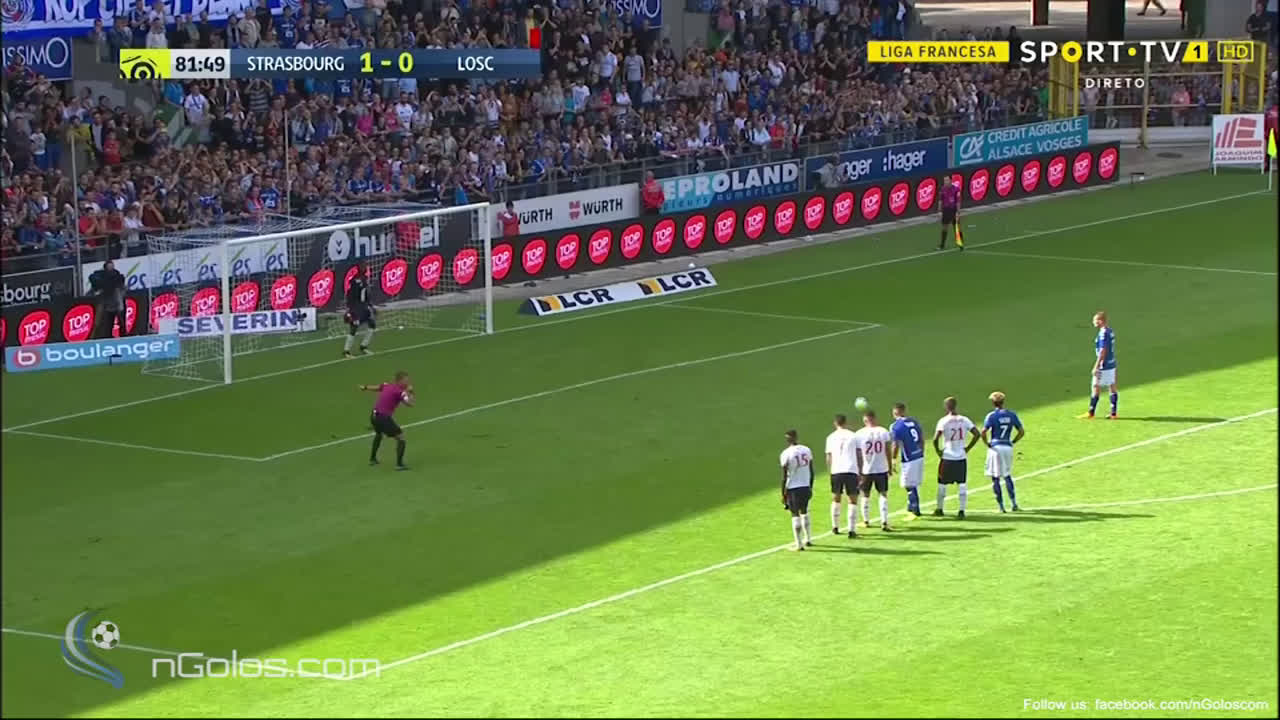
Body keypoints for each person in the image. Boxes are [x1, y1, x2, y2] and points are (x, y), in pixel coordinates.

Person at [933, 396, 980, 518]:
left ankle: (939, 509)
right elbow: (977, 434)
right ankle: (961, 511)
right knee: (962, 484)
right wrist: (967, 448)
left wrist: (938, 451)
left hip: (948, 457)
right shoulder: (964, 420)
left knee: (942, 484)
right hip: (961, 457)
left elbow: (935, 439)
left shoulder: (943, 421)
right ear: (956, 406)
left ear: (946, 407)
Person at [359, 371, 414, 470]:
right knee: (401, 438)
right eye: (406, 380)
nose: (408, 382)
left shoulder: (387, 385)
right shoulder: (400, 392)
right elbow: (410, 404)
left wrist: (365, 387)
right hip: (383, 418)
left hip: (374, 415)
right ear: (400, 381)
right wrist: (410, 392)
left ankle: (372, 459)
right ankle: (399, 465)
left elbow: (377, 387)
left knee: (379, 434)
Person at [982, 392, 1025, 513]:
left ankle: (1001, 507)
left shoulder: (991, 416)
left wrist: (987, 443)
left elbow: (983, 432)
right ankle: (1014, 504)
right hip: (1007, 446)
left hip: (996, 447)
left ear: (993, 403)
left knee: (995, 477)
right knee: (1007, 475)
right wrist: (1013, 441)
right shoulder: (1011, 414)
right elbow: (1021, 431)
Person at [853, 410, 894, 531]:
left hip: (866, 469)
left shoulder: (859, 434)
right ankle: (884, 522)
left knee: (865, 495)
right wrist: (890, 466)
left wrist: (858, 469)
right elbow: (888, 450)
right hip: (881, 468)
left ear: (865, 420)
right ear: (875, 418)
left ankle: (866, 521)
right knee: (883, 494)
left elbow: (858, 454)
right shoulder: (883, 431)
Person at [824, 413, 860, 537]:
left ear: (835, 423)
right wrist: (860, 470)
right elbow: (858, 454)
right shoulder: (853, 435)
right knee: (852, 499)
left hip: (836, 471)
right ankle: (851, 530)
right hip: (851, 470)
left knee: (836, 498)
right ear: (845, 422)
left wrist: (830, 471)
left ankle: (835, 527)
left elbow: (829, 457)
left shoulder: (830, 437)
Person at [779, 429, 815, 551]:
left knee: (795, 514)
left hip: (793, 488)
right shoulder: (806, 450)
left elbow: (784, 476)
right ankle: (808, 539)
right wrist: (810, 486)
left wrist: (783, 493)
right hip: (805, 486)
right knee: (805, 511)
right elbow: (811, 471)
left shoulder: (785, 454)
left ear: (787, 440)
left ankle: (799, 544)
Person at [889, 403, 926, 517]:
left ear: (894, 413)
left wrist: (893, 459)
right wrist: (921, 453)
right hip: (919, 455)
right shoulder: (914, 422)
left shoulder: (895, 426)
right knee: (913, 482)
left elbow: (895, 444)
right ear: (904, 411)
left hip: (908, 458)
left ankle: (915, 508)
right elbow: (922, 439)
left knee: (908, 484)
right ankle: (910, 506)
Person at [1084, 310, 1118, 419]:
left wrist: (1096, 366)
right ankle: (1113, 413)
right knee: (1112, 385)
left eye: (1095, 320)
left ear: (1101, 321)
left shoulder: (1103, 333)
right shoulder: (1110, 331)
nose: (1093, 322)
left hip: (1104, 365)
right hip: (1111, 362)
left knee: (1095, 386)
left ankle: (1091, 412)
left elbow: (1103, 351)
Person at [343, 263, 375, 357]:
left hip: (364, 307)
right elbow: (350, 296)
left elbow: (366, 295)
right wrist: (350, 310)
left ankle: (363, 346)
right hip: (356, 308)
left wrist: (371, 306)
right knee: (354, 328)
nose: (366, 269)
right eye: (364, 268)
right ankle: (346, 351)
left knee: (372, 324)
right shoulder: (355, 281)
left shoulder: (364, 279)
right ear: (360, 269)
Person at [89, 260, 126, 339]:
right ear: (105, 267)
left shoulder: (117, 275)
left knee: (120, 315)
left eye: (112, 266)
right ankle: (94, 336)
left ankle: (123, 334)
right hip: (104, 297)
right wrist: (101, 286)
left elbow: (120, 284)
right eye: (109, 266)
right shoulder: (100, 274)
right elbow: (92, 278)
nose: (111, 268)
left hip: (114, 297)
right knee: (99, 319)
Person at [937, 176, 964, 251]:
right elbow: (940, 200)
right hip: (946, 210)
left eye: (947, 180)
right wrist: (939, 211)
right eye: (944, 180)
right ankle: (942, 245)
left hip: (953, 210)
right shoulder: (942, 189)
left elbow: (958, 201)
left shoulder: (956, 189)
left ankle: (961, 243)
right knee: (944, 227)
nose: (945, 182)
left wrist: (958, 212)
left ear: (951, 181)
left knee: (956, 227)